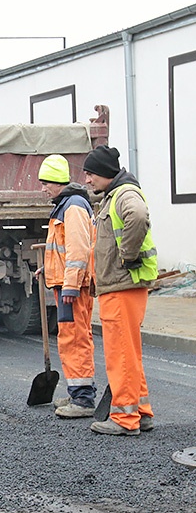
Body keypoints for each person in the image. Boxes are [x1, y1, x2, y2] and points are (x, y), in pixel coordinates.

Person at [83, 145, 158, 436]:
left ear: (103, 173)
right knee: (130, 351)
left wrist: (127, 255)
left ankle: (125, 419)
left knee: (121, 354)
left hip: (122, 285)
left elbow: (137, 217)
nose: (87, 180)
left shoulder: (125, 195)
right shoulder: (117, 194)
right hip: (123, 285)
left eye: (90, 174)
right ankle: (140, 412)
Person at [36, 155, 98, 418]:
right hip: (66, 283)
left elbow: (78, 250)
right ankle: (78, 393)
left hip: (72, 288)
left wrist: (71, 286)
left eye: (45, 183)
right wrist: (47, 269)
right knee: (71, 338)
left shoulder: (71, 207)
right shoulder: (66, 204)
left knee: (75, 339)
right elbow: (61, 252)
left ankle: (83, 400)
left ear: (57, 181)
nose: (43, 188)